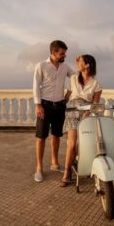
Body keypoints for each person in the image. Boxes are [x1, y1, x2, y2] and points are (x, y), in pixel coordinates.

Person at [32, 40, 74, 182]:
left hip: (60, 106)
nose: (65, 55)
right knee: (41, 137)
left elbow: (76, 79)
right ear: (53, 52)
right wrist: (38, 105)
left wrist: (68, 95)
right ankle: (39, 168)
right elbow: (36, 85)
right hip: (45, 105)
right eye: (62, 53)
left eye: (65, 53)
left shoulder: (65, 66)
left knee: (56, 135)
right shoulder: (41, 65)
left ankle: (54, 163)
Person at [60, 54, 102, 187]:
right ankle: (67, 173)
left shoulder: (96, 84)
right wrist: (59, 108)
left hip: (86, 113)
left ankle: (81, 164)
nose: (78, 64)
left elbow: (95, 104)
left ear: (87, 65)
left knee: (84, 144)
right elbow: (67, 96)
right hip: (72, 111)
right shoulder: (73, 78)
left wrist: (88, 113)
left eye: (81, 62)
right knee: (72, 144)